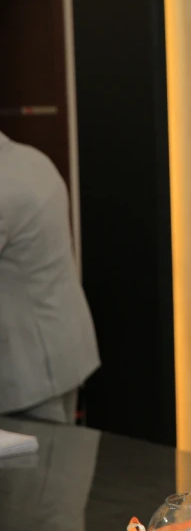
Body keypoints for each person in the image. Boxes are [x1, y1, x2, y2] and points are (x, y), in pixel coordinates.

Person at [0, 131, 100, 424]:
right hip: (62, 350)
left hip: (30, 373)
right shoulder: (33, 161)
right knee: (62, 448)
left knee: (40, 452)